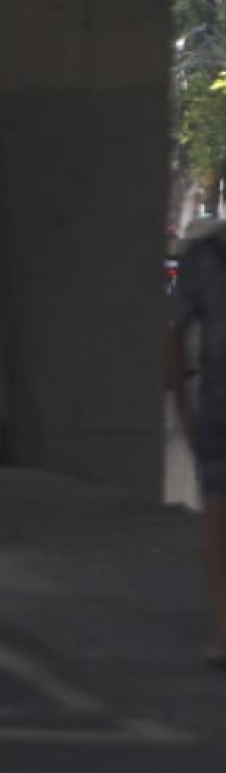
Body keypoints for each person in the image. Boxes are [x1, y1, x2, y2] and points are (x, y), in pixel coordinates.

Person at [166, 215, 226, 671]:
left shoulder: (204, 257)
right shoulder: (204, 258)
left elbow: (173, 336)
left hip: (216, 409)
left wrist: (183, 404)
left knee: (216, 519)